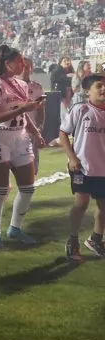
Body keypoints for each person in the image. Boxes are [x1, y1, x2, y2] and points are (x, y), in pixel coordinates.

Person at [0, 45, 45, 249]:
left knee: (28, 188)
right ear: (8, 64)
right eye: (19, 61)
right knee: (0, 190)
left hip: (21, 137)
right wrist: (25, 107)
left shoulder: (20, 83)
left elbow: (24, 112)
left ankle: (15, 229)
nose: (23, 64)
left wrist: (35, 131)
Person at [59, 73, 105, 261]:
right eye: (99, 86)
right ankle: (73, 241)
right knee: (81, 204)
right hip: (83, 167)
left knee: (104, 206)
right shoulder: (81, 109)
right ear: (88, 91)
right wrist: (72, 158)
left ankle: (96, 240)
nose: (103, 89)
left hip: (103, 168)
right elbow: (63, 134)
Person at [22, 57, 46, 174]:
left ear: (31, 69)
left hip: (32, 131)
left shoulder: (37, 87)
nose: (24, 69)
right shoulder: (8, 87)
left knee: (32, 166)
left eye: (27, 66)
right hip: (14, 132)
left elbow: (41, 109)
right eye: (21, 65)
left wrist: (40, 127)